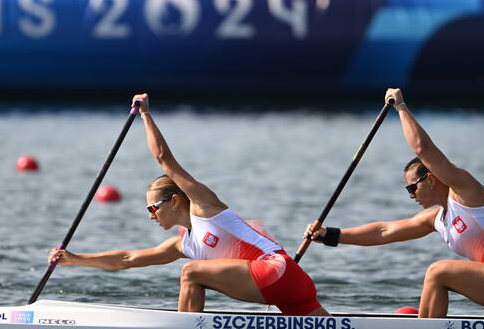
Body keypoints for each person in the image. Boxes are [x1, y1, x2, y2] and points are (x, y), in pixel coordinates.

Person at [305, 88, 484, 321]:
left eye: (413, 186)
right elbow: (384, 231)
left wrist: (400, 107)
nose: (411, 194)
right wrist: (330, 235)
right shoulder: (436, 218)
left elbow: (423, 150)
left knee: (438, 272)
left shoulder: (466, 192)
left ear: (433, 177)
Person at [50, 93, 330, 316]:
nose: (151, 216)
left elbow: (163, 159)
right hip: (294, 287)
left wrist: (146, 114)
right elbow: (127, 260)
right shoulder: (183, 244)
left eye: (153, 208)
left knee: (191, 272)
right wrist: (76, 259)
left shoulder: (205, 207)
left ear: (175, 201)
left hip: (277, 270)